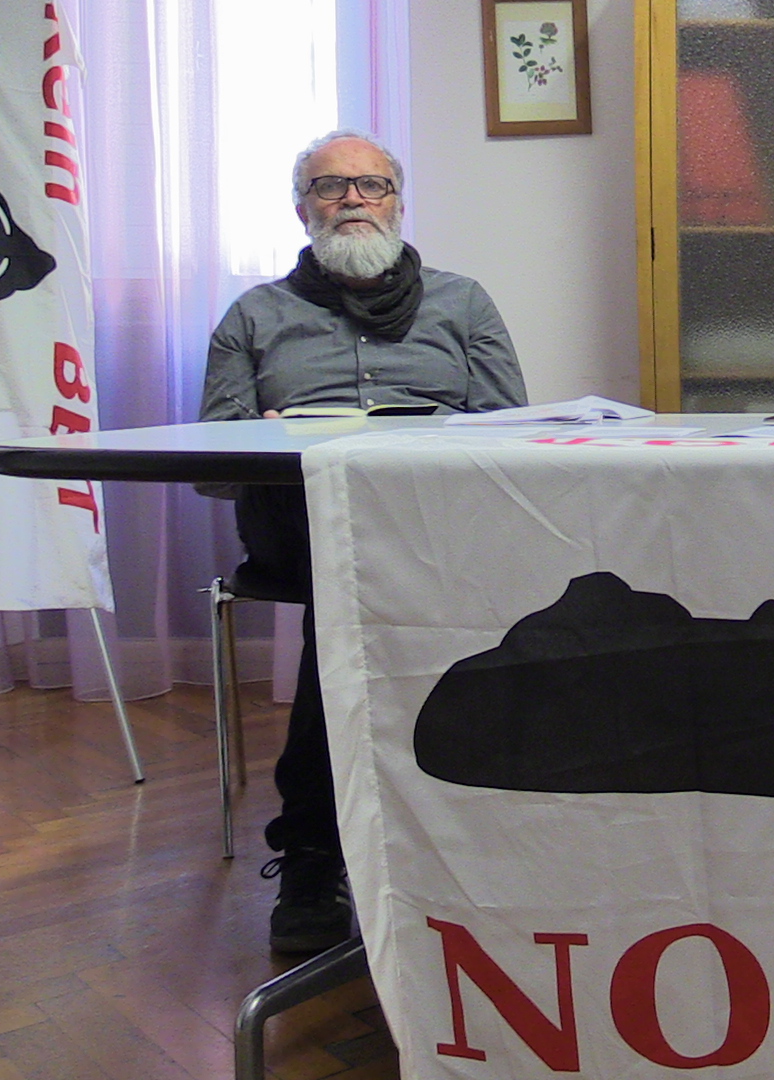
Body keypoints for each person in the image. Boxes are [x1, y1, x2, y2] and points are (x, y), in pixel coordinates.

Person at [199, 130, 527, 953]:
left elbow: (514, 438)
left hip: (435, 517)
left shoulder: (463, 304)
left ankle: (359, 842)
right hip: (305, 524)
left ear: (398, 203)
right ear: (302, 209)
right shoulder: (254, 315)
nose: (352, 199)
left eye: (371, 185)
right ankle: (319, 853)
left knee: (360, 605)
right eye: (331, 186)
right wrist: (265, 441)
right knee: (350, 590)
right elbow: (211, 469)